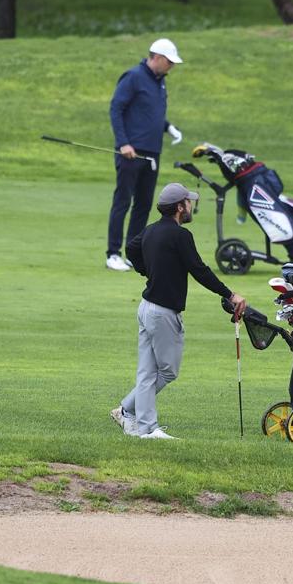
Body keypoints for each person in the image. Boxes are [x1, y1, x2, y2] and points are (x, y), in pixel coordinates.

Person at [110, 182, 247, 440]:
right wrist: (229, 294)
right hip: (162, 313)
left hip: (146, 308)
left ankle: (132, 416)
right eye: (189, 202)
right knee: (166, 371)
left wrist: (147, 270)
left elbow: (131, 248)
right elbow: (199, 270)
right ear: (179, 207)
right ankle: (144, 424)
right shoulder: (180, 235)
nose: (191, 206)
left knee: (147, 371)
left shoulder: (151, 231)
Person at [105, 38, 185, 271]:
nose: (172, 66)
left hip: (152, 153)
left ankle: (132, 253)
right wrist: (123, 143)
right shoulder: (133, 77)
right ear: (157, 58)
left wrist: (169, 127)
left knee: (143, 204)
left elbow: (152, 114)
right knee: (122, 201)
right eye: (169, 62)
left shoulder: (160, 82)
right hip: (131, 152)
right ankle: (112, 254)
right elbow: (116, 109)